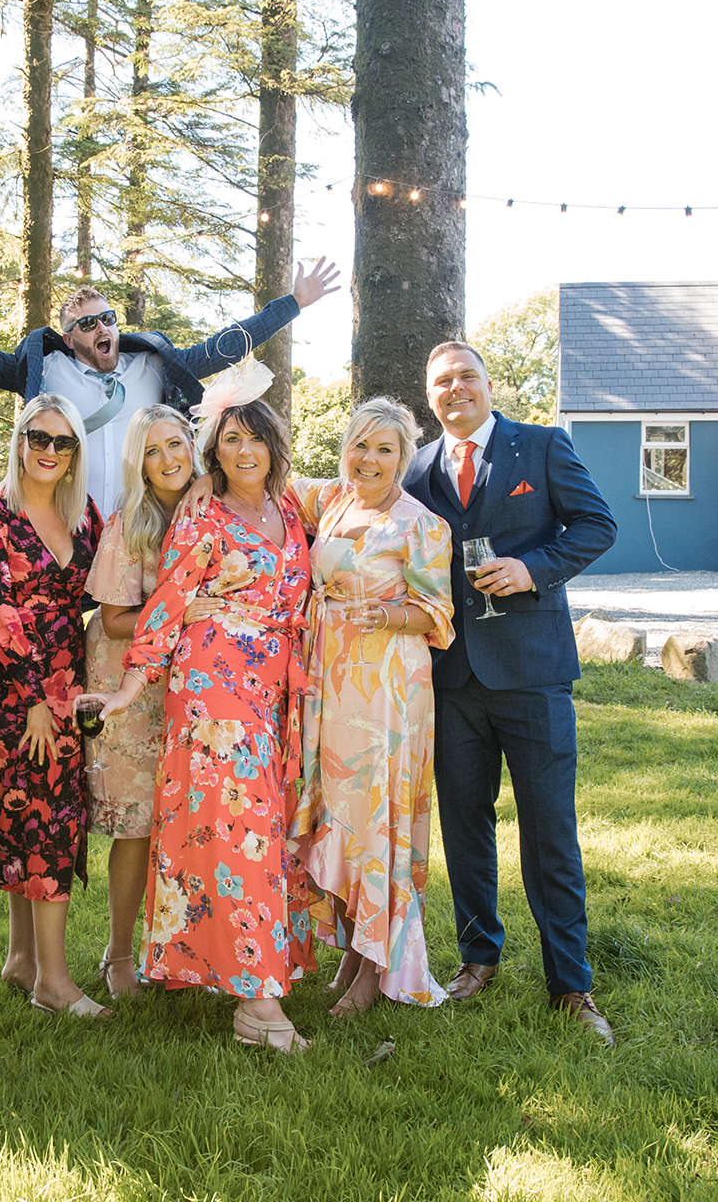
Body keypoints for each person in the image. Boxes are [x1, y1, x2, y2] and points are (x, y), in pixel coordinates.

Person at [84, 363, 319, 1052]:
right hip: (212, 688)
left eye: (256, 438)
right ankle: (258, 1005)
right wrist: (129, 688)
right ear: (214, 450)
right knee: (242, 835)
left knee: (253, 835)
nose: (245, 451)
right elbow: (166, 606)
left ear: (274, 444)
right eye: (231, 439)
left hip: (272, 692)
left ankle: (231, 968)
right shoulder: (203, 514)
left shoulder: (290, 510)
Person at [402, 342, 618, 1044]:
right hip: (451, 677)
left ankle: (571, 983)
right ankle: (478, 957)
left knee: (549, 828)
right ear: (429, 396)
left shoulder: (543, 447)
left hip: (532, 672)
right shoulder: (416, 470)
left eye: (467, 376)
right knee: (465, 824)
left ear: (489, 384)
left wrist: (532, 568)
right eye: (442, 382)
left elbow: (597, 525)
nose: (455, 389)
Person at [0, 255, 341, 510]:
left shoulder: (152, 364)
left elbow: (223, 346)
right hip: (70, 523)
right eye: (87, 324)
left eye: (107, 318)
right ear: (69, 337)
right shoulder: (46, 369)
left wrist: (293, 303)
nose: (102, 328)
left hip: (145, 523)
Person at [290, 397, 455, 1017]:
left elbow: (438, 614)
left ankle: (376, 965)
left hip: (387, 685)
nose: (370, 459)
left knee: (375, 814)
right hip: (330, 677)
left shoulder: (421, 524)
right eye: (361, 444)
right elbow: (263, 474)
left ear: (404, 457)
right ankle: (352, 947)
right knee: (338, 807)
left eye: (385, 449)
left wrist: (387, 613)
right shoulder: (331, 500)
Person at [0, 394, 108, 1016]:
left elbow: (103, 589)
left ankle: (23, 960)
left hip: (65, 679)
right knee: (38, 819)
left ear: (75, 452)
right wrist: (32, 699)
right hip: (7, 685)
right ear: (20, 440)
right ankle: (54, 981)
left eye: (63, 442)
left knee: (42, 815)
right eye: (39, 437)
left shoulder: (85, 514)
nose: (50, 451)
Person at [79, 405, 227, 998]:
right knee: (138, 826)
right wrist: (177, 614)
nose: (168, 459)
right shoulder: (130, 523)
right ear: (137, 463)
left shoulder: (215, 505)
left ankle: (185, 954)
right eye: (152, 450)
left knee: (192, 822)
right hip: (129, 685)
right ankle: (117, 955)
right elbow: (112, 619)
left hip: (196, 683)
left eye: (176, 445)